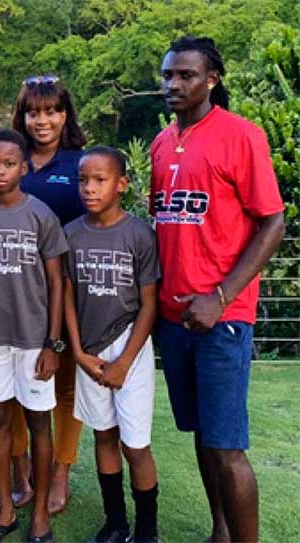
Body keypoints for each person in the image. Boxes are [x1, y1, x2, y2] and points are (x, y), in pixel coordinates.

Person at [151, 37, 285, 543]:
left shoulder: (241, 136)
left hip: (222, 317)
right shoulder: (164, 142)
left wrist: (221, 296)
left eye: (185, 75)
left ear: (212, 79)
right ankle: (220, 533)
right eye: (167, 76)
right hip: (174, 317)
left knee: (228, 446)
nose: (173, 85)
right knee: (204, 438)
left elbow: (272, 221)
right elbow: (167, 223)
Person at [0, 129, 67, 543]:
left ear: (24, 167)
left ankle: (40, 512)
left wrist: (52, 343)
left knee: (40, 423)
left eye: (9, 164)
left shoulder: (40, 215)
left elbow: (57, 282)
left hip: (33, 339)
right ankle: (5, 509)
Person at [64, 147, 161, 543]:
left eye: (100, 180)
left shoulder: (139, 233)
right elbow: (66, 296)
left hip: (129, 347)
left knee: (134, 445)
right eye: (83, 180)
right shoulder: (70, 233)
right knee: (102, 434)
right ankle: (116, 523)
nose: (89, 188)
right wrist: (77, 351)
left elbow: (150, 302)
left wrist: (125, 361)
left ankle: (146, 531)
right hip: (88, 349)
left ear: (121, 184)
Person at [5, 74, 88, 514]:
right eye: (33, 111)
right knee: (17, 385)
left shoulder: (80, 163)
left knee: (66, 387)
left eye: (52, 110)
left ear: (65, 114)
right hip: (16, 293)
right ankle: (22, 471)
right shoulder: (8, 160)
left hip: (70, 293)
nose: (43, 120)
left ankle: (60, 472)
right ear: (21, 115)